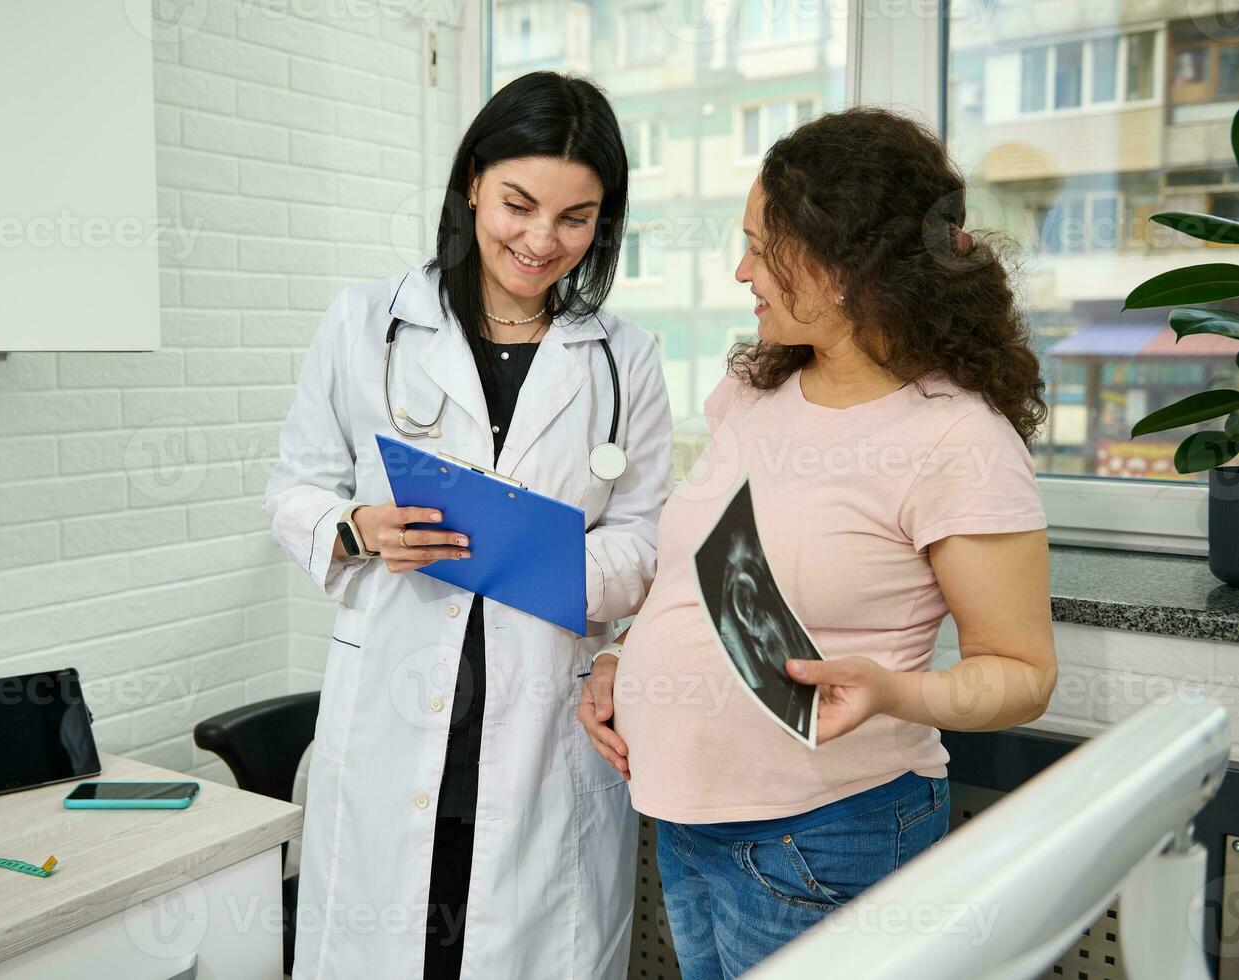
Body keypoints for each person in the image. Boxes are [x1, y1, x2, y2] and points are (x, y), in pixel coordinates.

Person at [576, 106, 1059, 977]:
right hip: (686, 822)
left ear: (845, 266)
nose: (740, 270)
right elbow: (700, 575)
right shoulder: (755, 390)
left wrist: (888, 691)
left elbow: (1021, 676)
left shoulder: (959, 442)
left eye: (763, 246)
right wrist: (622, 657)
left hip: (826, 834)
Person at [264, 71, 673, 979]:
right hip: (394, 710)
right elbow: (295, 486)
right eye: (517, 204)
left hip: (543, 725)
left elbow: (646, 541)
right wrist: (358, 528)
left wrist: (528, 556)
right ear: (472, 184)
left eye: (575, 218)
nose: (540, 239)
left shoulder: (625, 359)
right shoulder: (364, 323)